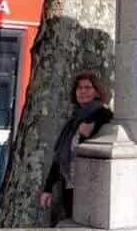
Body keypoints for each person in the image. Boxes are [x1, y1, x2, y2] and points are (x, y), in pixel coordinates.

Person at [39, 70, 112, 222]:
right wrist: (47, 189)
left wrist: (85, 125)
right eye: (79, 88)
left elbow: (88, 132)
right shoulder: (74, 119)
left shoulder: (102, 113)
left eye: (88, 87)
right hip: (69, 184)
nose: (83, 91)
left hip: (90, 186)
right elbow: (60, 156)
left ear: (97, 92)